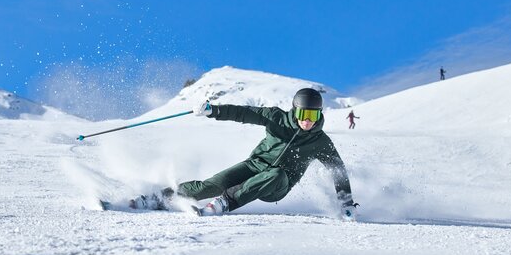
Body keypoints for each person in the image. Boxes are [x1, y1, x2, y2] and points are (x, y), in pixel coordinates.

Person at [131, 88, 359, 219]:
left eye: (313, 115)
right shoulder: (277, 118)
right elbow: (245, 113)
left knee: (276, 174)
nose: (307, 120)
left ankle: (224, 204)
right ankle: (158, 199)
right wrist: (214, 111)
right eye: (303, 113)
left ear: (319, 115)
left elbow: (337, 170)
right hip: (254, 165)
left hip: (277, 184)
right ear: (295, 109)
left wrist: (346, 202)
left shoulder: (320, 141)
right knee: (210, 185)